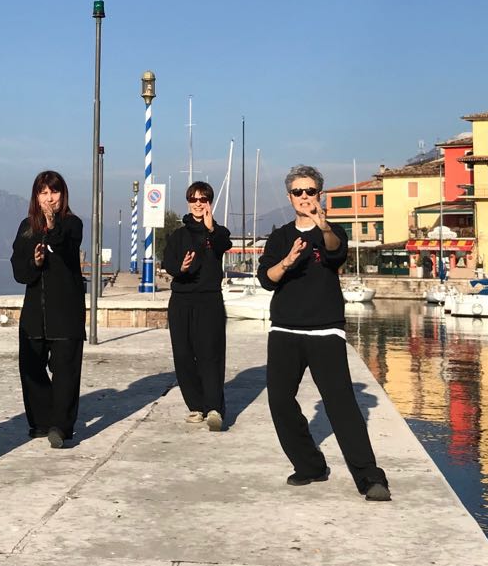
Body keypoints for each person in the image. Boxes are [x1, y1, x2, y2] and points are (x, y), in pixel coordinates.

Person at [257, 165, 391, 501]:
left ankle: (370, 478)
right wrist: (286, 262)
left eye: (311, 191)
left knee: (341, 404)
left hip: (325, 330)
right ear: (290, 197)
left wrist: (323, 225)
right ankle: (310, 465)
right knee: (279, 401)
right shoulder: (280, 236)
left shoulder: (333, 230)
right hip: (285, 329)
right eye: (298, 192)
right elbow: (267, 278)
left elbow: (336, 252)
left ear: (320, 194)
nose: (305, 197)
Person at [11, 171, 86, 448]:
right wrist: (34, 262)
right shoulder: (26, 227)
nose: (49, 197)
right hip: (34, 313)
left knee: (66, 372)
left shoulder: (73, 224)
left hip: (65, 311)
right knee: (31, 368)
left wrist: (53, 226)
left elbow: (66, 249)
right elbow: (19, 270)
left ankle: (62, 427)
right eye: (43, 192)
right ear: (36, 196)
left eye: (54, 192)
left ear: (62, 195)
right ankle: (41, 421)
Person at [161, 181, 233, 431]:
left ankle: (214, 408)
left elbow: (224, 244)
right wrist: (180, 268)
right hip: (181, 300)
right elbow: (169, 263)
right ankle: (196, 406)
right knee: (183, 354)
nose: (199, 204)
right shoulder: (178, 235)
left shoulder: (218, 233)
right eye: (194, 199)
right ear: (188, 202)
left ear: (210, 202)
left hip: (209, 299)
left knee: (210, 354)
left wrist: (211, 229)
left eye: (203, 199)